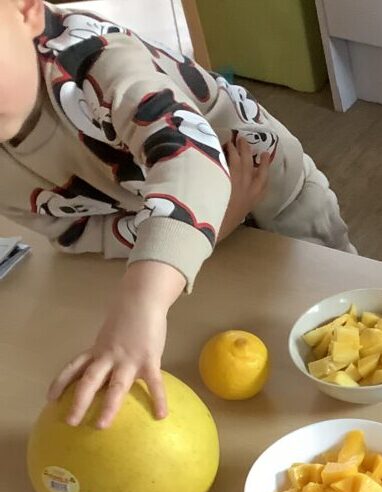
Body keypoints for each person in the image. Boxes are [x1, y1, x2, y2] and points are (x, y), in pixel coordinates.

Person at [0, 0, 354, 428]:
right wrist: (212, 229)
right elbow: (75, 231)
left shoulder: (95, 57)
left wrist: (141, 301)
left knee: (337, 319)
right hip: (176, 242)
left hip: (274, 195)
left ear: (26, 10)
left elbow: (189, 160)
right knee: (251, 365)